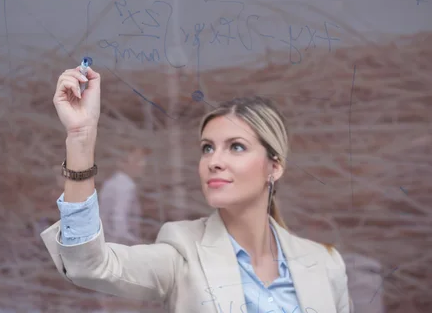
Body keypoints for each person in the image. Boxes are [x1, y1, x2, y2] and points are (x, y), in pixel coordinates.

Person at [41, 66, 354, 313]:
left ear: (275, 166)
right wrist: (81, 138)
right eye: (207, 148)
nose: (214, 161)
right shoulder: (182, 253)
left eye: (236, 147)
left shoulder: (325, 264)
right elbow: (88, 265)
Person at [98, 145, 149, 246]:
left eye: (143, 160)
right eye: (137, 160)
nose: (143, 164)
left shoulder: (111, 183)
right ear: (121, 162)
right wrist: (137, 246)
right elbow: (119, 223)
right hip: (120, 249)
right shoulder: (125, 186)